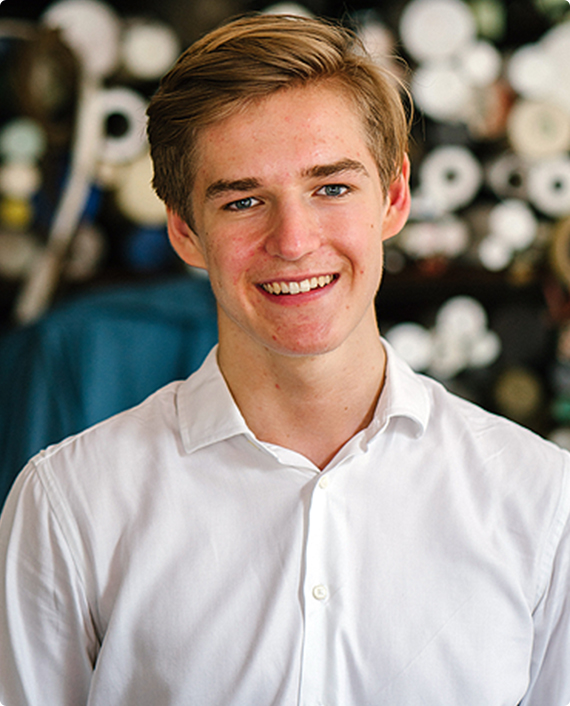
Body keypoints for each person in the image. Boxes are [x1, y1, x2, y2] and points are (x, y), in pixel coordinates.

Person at [1, 13, 570, 706]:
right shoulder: (70, 504)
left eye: (332, 188)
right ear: (184, 229)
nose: (295, 241)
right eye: (243, 201)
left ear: (394, 197)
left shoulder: (542, 502)